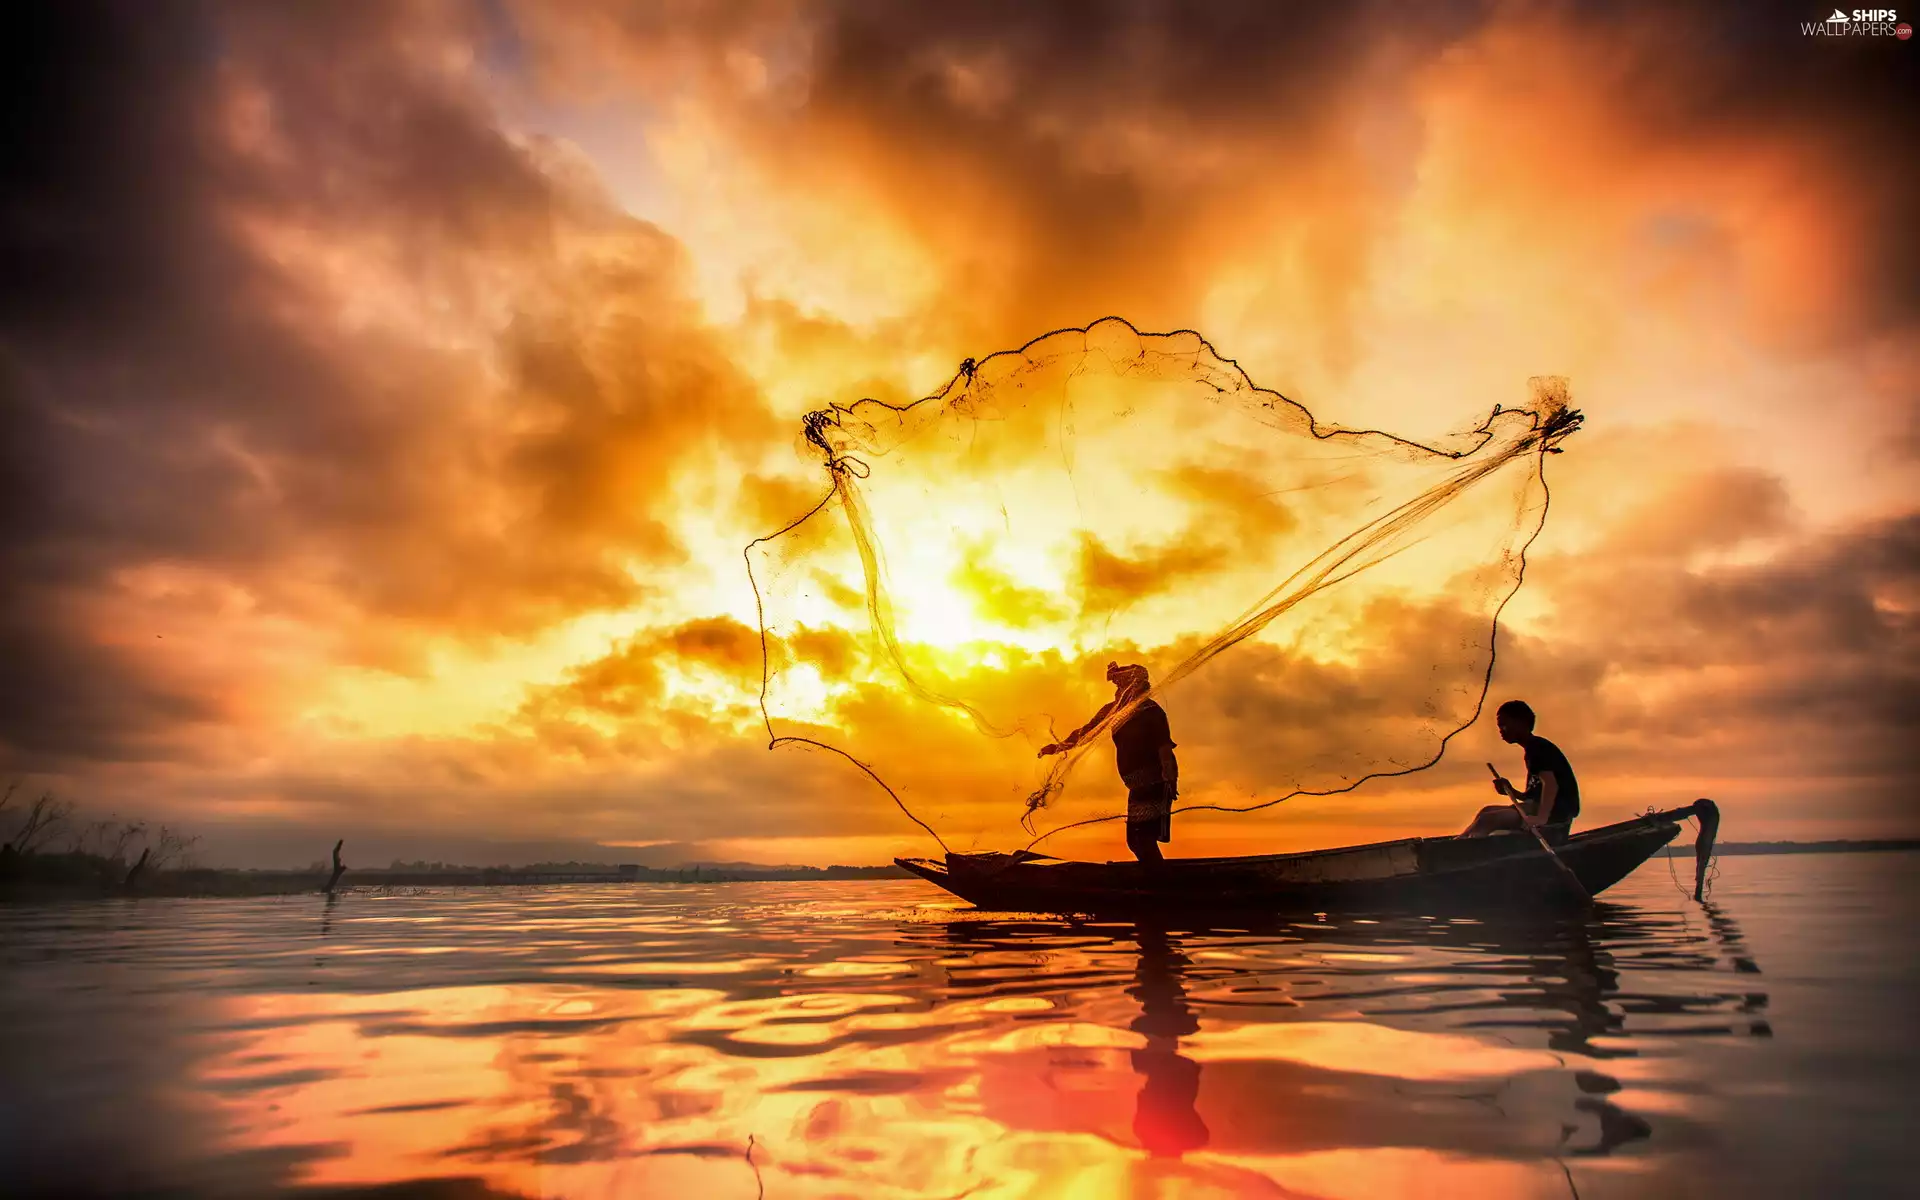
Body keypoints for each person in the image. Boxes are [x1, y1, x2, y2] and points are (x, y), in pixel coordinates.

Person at [1037, 662, 1179, 863]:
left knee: (1141, 840)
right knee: (1137, 841)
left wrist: (1171, 779)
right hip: (1138, 786)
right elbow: (1085, 732)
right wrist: (1059, 747)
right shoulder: (1114, 711)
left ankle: (1159, 883)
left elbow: (1164, 750)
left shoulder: (1151, 712)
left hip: (1154, 783)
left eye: (1123, 686)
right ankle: (1155, 879)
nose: (1118, 691)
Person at [1459, 699, 1581, 844]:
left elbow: (1550, 784)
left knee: (1488, 820)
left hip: (1556, 814)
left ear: (1520, 722)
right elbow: (1533, 795)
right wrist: (1511, 791)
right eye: (1499, 726)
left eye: (1504, 725)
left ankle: (1463, 848)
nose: (1501, 731)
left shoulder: (1537, 748)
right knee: (1486, 811)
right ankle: (1458, 841)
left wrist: (1541, 818)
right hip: (1539, 808)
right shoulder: (1532, 749)